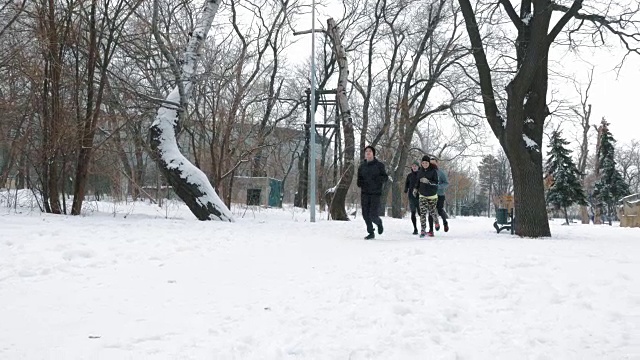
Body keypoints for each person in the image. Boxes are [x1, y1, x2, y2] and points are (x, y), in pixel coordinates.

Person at [357, 145, 388, 239]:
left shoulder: (379, 165)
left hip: (375, 193)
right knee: (365, 215)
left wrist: (378, 180)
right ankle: (371, 232)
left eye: (370, 151)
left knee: (373, 215)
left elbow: (385, 177)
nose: (368, 153)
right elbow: (359, 179)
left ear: (373, 153)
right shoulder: (362, 166)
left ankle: (379, 223)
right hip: (365, 193)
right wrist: (360, 183)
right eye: (366, 151)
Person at [413, 155, 439, 237]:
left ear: (429, 163)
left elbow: (436, 183)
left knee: (432, 212)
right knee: (423, 213)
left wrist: (428, 181)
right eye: (423, 163)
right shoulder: (420, 171)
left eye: (426, 163)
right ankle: (423, 230)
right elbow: (418, 181)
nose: (424, 164)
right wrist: (415, 189)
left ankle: (436, 221)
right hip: (422, 194)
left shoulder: (433, 171)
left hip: (432, 195)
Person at [428, 156, 450, 232]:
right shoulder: (428, 172)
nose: (432, 164)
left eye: (434, 163)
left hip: (440, 194)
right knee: (431, 211)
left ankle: (445, 222)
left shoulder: (441, 172)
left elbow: (446, 183)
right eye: (431, 163)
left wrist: (438, 187)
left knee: (440, 210)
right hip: (430, 194)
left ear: (437, 163)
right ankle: (431, 230)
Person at [404, 160, 421, 234]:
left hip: (420, 196)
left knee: (421, 213)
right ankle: (415, 228)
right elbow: (407, 184)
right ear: (411, 167)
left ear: (418, 167)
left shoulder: (421, 174)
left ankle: (423, 228)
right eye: (413, 166)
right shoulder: (409, 175)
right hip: (411, 196)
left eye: (416, 166)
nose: (414, 167)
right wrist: (405, 189)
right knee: (413, 213)